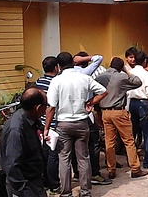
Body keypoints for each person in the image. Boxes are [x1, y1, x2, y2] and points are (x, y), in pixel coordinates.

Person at [43, 52, 108, 197]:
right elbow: (103, 91)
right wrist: (90, 102)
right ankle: (85, 192)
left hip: (63, 125)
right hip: (81, 123)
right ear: (73, 62)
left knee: (64, 159)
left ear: (58, 66)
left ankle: (66, 192)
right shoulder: (84, 78)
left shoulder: (56, 81)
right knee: (83, 159)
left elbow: (51, 107)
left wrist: (46, 128)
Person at [95, 57, 147, 179]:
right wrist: (127, 70)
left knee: (109, 142)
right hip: (118, 111)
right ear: (120, 67)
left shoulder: (100, 77)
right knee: (128, 141)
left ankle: (111, 168)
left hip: (105, 112)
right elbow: (137, 81)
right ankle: (135, 168)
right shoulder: (121, 77)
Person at [0, 87, 49, 197]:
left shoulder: (29, 119)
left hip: (35, 182)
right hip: (25, 185)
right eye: (46, 105)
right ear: (38, 107)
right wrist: (24, 190)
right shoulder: (16, 129)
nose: (46, 109)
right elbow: (12, 165)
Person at [35, 56, 61, 194]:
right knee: (53, 154)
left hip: (42, 121)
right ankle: (54, 184)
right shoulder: (57, 82)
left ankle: (45, 181)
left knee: (45, 153)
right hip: (54, 123)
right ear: (56, 67)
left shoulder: (38, 82)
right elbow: (53, 106)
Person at [127, 50, 148, 169]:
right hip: (143, 102)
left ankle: (132, 159)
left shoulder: (130, 72)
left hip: (132, 102)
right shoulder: (146, 74)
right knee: (147, 133)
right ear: (145, 61)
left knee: (132, 132)